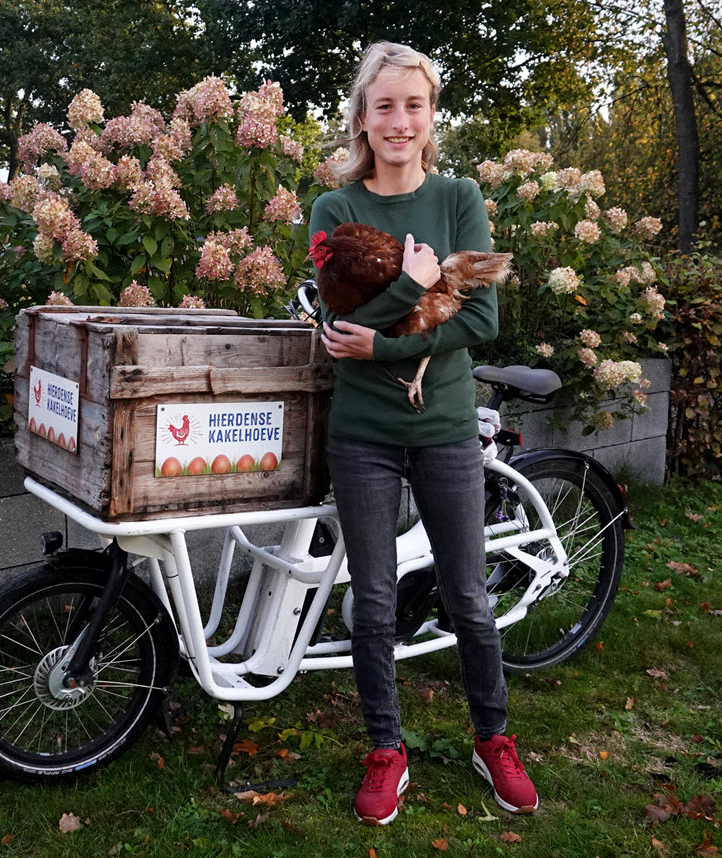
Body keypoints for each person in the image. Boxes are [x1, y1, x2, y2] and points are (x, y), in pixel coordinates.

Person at [308, 42, 539, 825]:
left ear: (430, 115)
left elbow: (481, 317)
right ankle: (385, 747)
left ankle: (493, 737)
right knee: (372, 601)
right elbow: (337, 326)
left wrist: (391, 344)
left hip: (442, 425)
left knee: (469, 597)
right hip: (363, 430)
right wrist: (409, 285)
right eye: (384, 106)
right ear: (362, 119)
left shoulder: (458, 196)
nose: (399, 121)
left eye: (414, 105)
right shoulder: (336, 209)